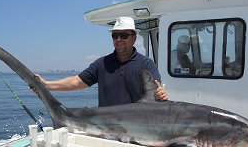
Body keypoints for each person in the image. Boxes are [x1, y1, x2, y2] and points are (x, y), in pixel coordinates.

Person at [34, 17, 167, 107]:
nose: (118, 39)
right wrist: (46, 86)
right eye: (115, 35)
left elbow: (156, 89)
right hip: (105, 128)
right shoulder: (102, 64)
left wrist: (160, 93)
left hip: (136, 129)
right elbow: (76, 82)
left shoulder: (146, 64)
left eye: (124, 36)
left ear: (134, 38)